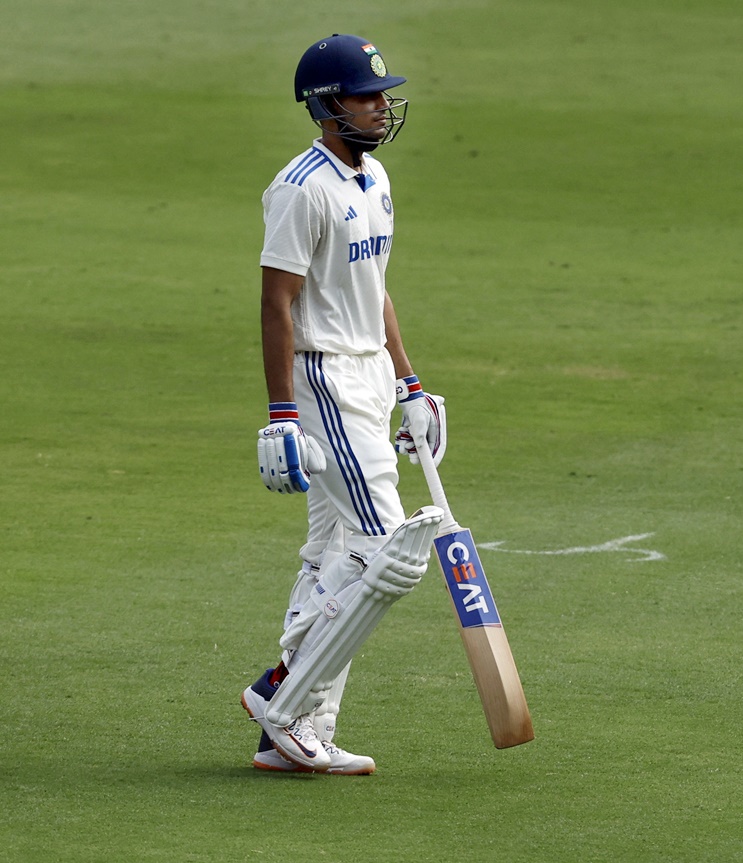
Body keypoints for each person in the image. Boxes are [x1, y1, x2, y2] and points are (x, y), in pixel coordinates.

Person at [239, 33, 447, 775]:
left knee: (335, 550)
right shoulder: (301, 187)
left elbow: (375, 290)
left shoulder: (376, 178)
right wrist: (282, 412)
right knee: (389, 549)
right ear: (327, 106)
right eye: (366, 95)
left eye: (384, 94)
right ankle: (283, 692)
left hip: (365, 375)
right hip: (322, 376)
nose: (382, 107)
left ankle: (296, 730)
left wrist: (409, 384)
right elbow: (276, 302)